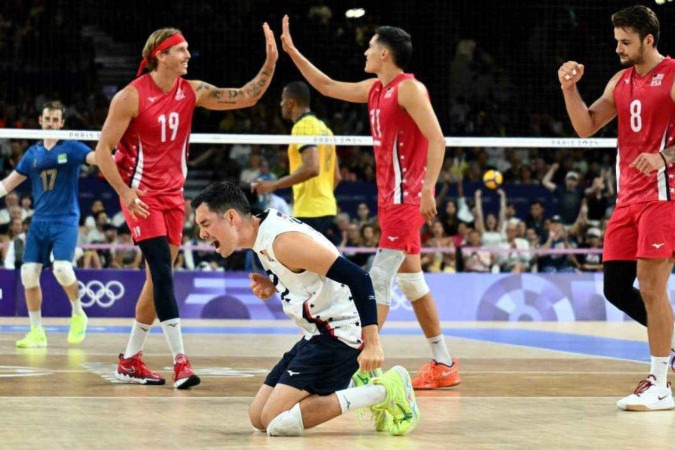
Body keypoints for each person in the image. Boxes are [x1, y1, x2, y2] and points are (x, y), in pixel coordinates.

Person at [94, 25, 278, 388]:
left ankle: (130, 359)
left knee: (156, 279)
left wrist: (270, 62)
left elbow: (245, 97)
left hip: (173, 198)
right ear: (160, 55)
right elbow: (103, 152)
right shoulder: (131, 97)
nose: (188, 56)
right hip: (142, 198)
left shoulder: (191, 91)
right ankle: (181, 362)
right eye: (181, 50)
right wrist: (126, 192)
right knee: (163, 272)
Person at [281, 16, 459, 389]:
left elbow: (438, 139)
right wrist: (292, 52)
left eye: (369, 47)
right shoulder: (375, 89)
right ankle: (443, 363)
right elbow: (326, 86)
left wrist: (427, 189)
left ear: (384, 53)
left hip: (405, 198)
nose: (364, 52)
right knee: (412, 282)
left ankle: (356, 365)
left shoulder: (409, 89)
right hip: (388, 199)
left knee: (378, 278)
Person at [192, 181, 419, 436]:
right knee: (258, 418)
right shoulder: (261, 231)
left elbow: (359, 278)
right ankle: (359, 379)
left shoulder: (283, 242)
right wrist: (276, 285)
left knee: (276, 422)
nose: (201, 234)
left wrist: (372, 342)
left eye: (205, 224)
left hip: (340, 333)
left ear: (231, 217)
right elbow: (308, 274)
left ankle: (386, 390)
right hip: (317, 333)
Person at [559, 5, 675, 410]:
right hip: (628, 198)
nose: (618, 48)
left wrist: (665, 157)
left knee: (652, 285)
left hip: (664, 195)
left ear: (648, 40)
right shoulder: (620, 81)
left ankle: (660, 382)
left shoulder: (673, 75)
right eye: (616, 41)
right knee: (615, 287)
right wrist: (569, 89)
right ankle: (669, 349)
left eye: (625, 42)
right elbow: (586, 126)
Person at [0, 100, 94, 348]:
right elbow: (9, 184)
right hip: (40, 220)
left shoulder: (72, 147)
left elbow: (95, 157)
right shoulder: (33, 153)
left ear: (62, 123)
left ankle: (78, 314)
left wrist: (113, 153)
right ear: (40, 121)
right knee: (28, 274)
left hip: (65, 219)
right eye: (47, 119)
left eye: (55, 120)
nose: (51, 123)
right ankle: (36, 332)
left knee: (62, 268)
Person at [253, 81, 340, 235]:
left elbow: (312, 167)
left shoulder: (302, 126)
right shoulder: (325, 129)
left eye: (282, 99)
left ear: (291, 102)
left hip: (310, 211)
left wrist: (274, 185)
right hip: (327, 208)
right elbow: (337, 177)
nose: (281, 104)